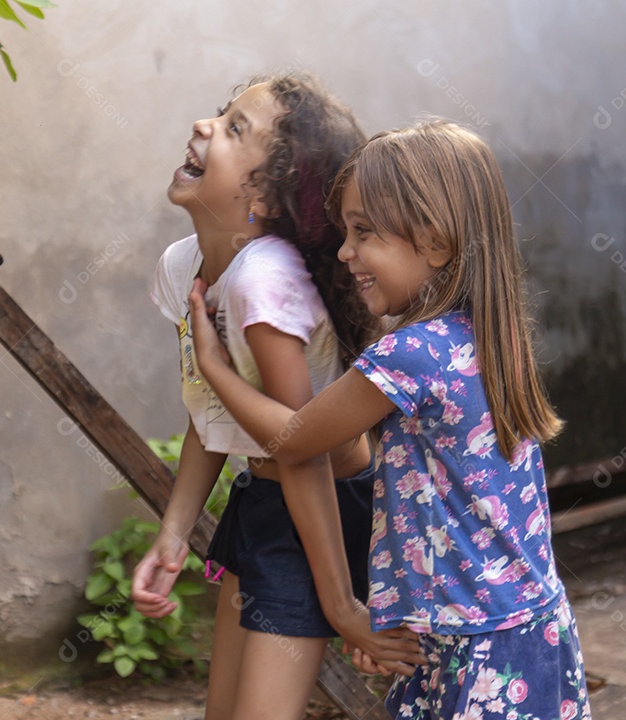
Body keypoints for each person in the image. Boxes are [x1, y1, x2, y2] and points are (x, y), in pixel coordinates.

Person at [187, 120, 592, 719]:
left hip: (470, 654)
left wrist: (214, 365)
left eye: (364, 233)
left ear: (434, 242)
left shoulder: (411, 356)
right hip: (531, 631)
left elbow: (293, 441)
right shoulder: (491, 338)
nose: (346, 252)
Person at [130, 73, 421, 720]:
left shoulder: (260, 284)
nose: (205, 126)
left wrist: (344, 606)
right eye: (218, 115)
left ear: (265, 194)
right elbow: (213, 412)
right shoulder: (184, 268)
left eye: (235, 128)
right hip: (266, 496)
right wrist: (174, 536)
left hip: (324, 505)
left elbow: (302, 448)